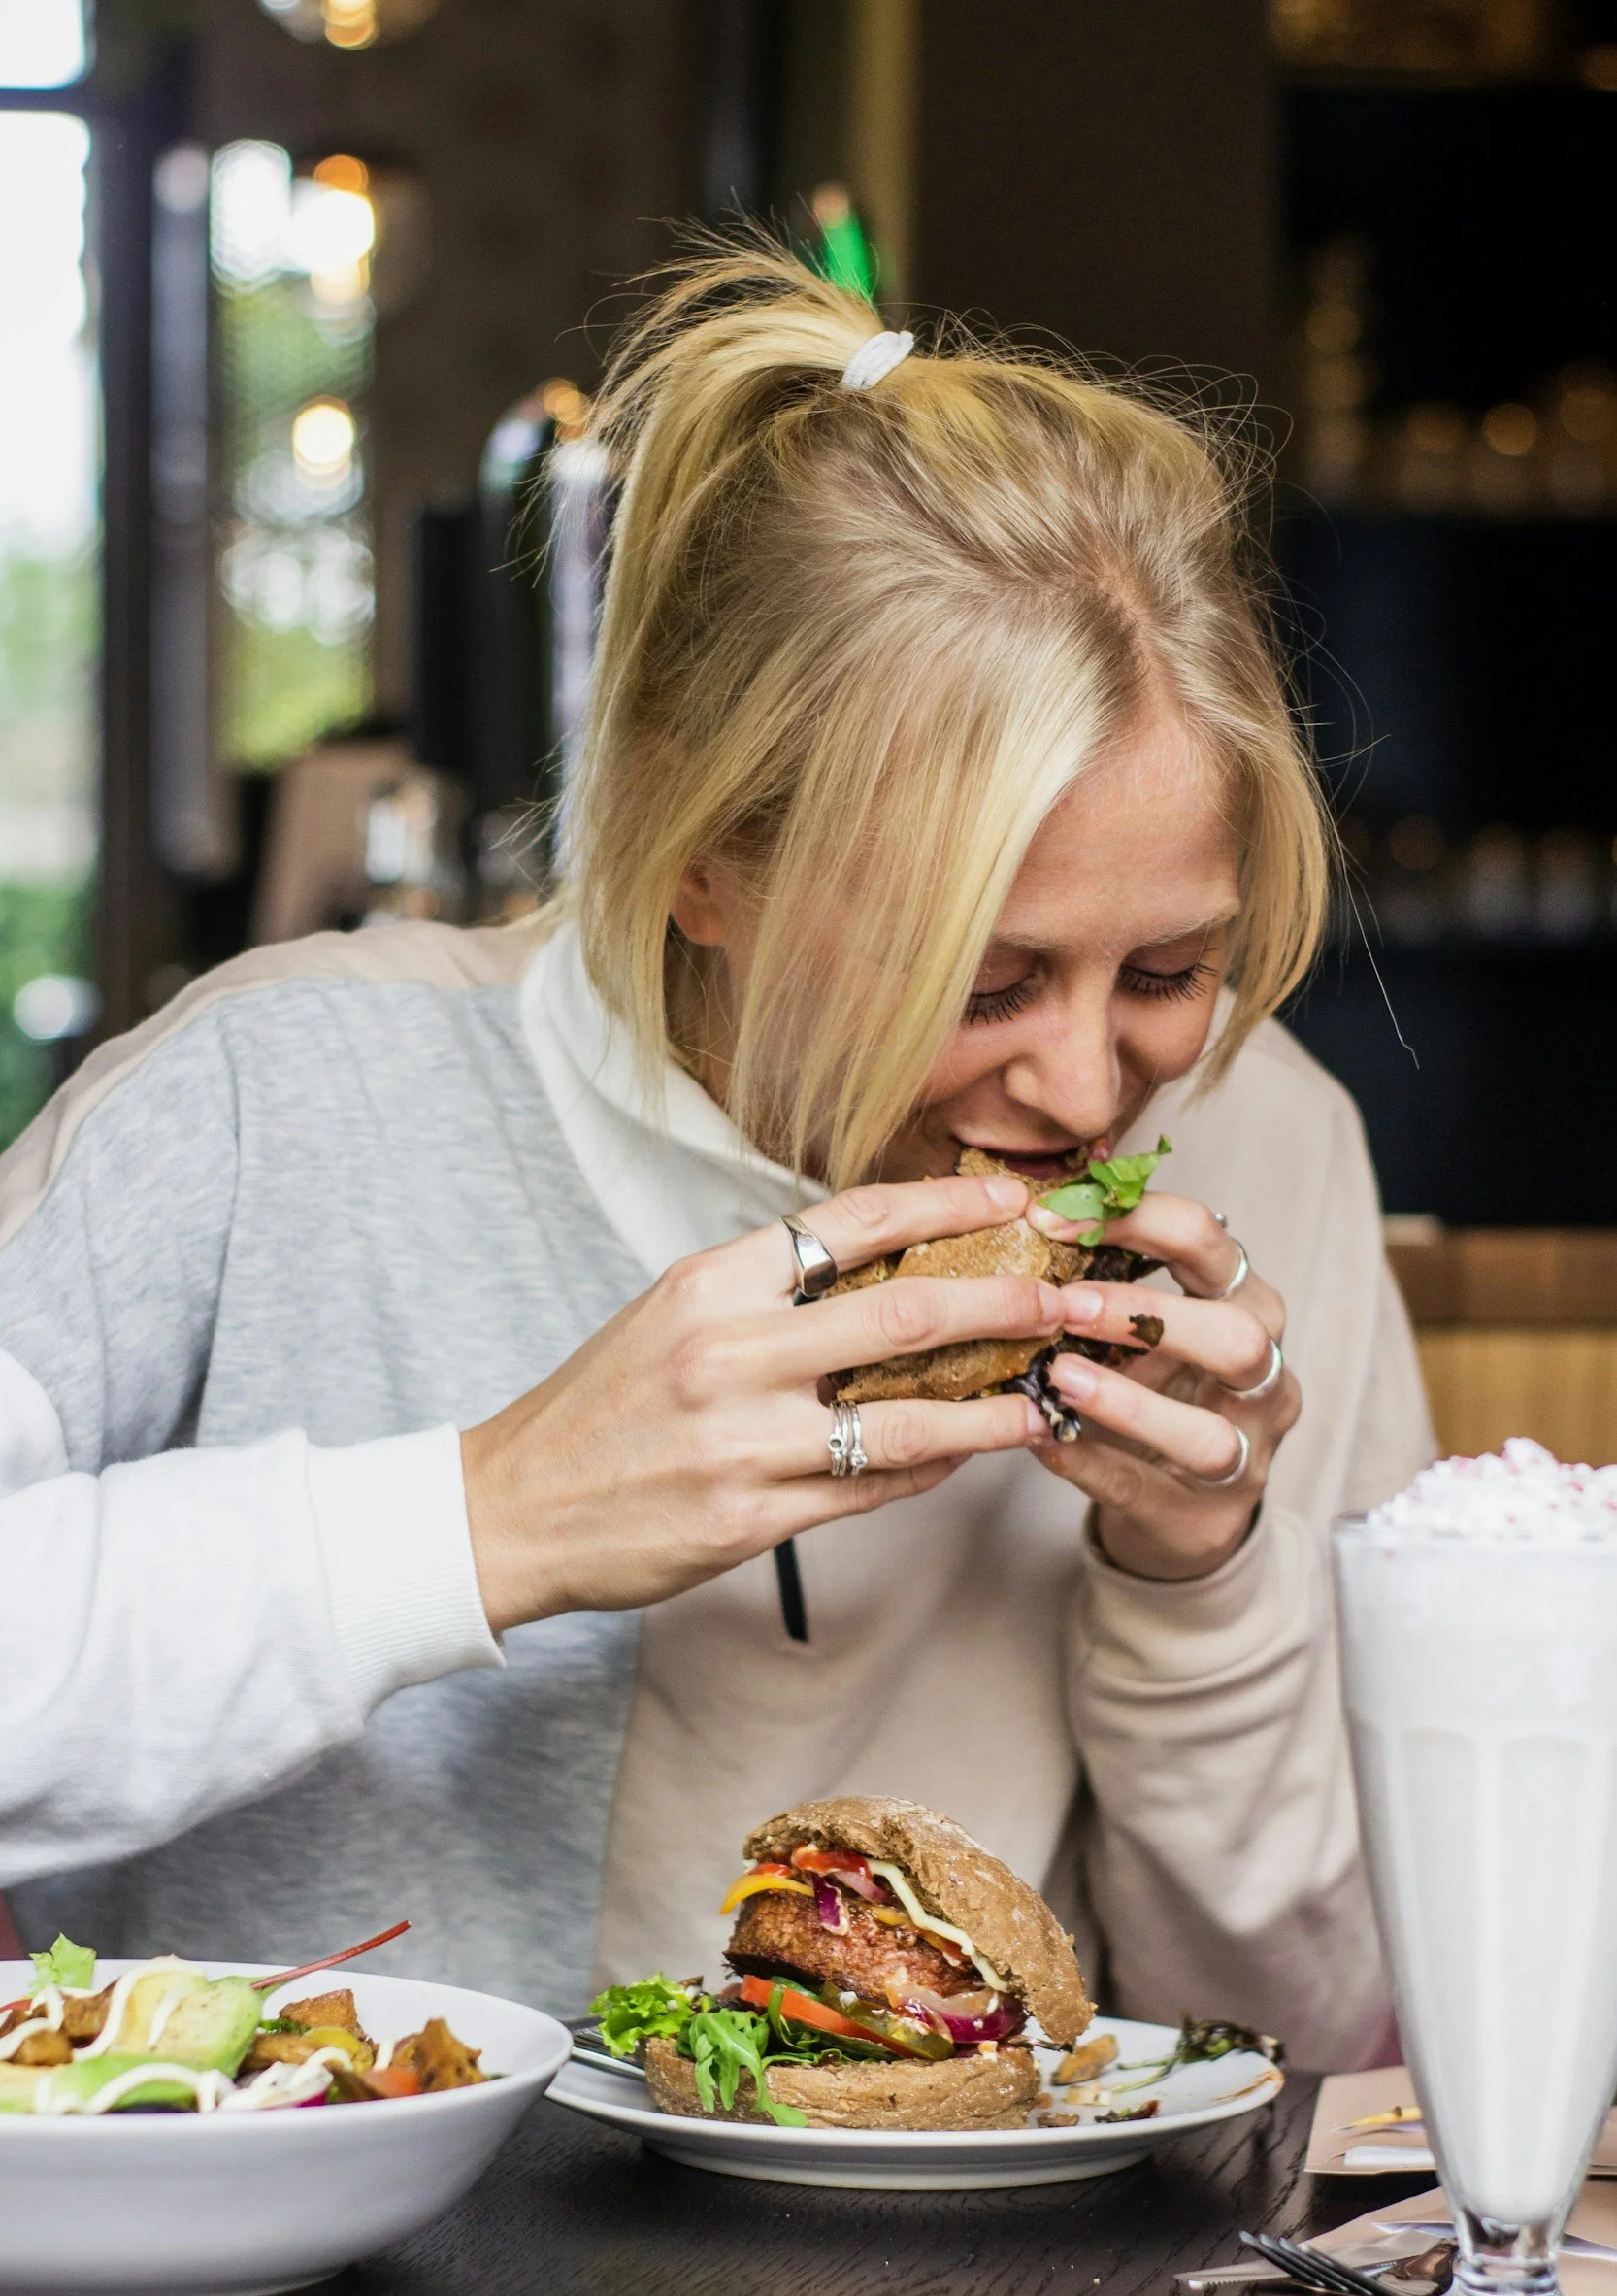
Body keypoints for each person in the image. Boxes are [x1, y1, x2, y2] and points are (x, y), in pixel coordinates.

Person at [0, 246, 1430, 2067]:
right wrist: (491, 1512)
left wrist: (1201, 1578)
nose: (1089, 1089)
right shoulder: (279, 1091)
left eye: (1165, 969)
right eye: (979, 976)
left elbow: (1323, 2043)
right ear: (693, 851)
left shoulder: (1267, 1135)